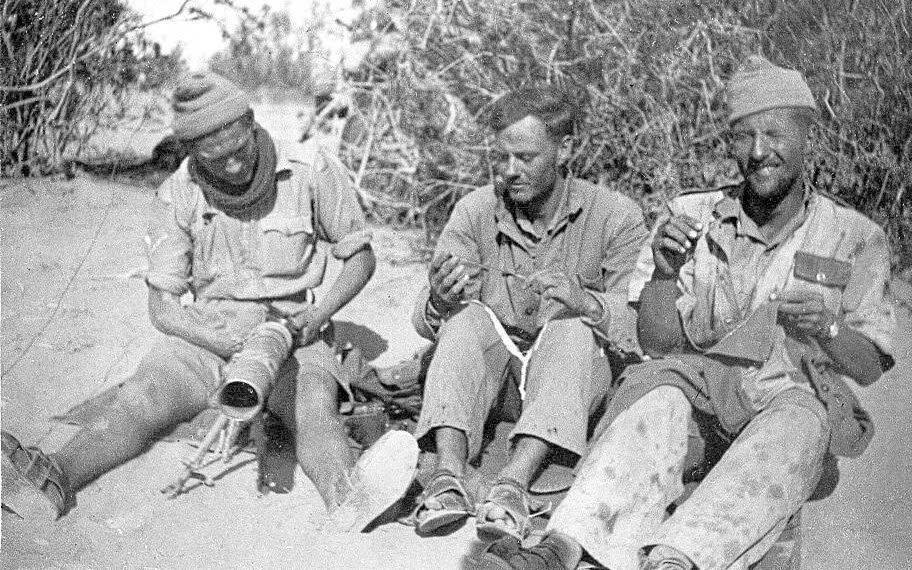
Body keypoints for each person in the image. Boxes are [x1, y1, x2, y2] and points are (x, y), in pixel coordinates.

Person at [479, 56, 896, 570]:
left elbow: (871, 367)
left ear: (809, 138)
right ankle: (559, 548)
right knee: (658, 399)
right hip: (696, 401)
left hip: (784, 406)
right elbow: (657, 346)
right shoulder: (689, 215)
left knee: (800, 420)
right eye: (744, 137)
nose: (759, 152)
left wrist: (827, 327)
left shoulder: (854, 235)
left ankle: (676, 560)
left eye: (775, 134)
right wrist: (662, 275)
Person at [1, 71, 417, 530]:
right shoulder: (178, 191)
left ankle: (351, 498)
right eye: (215, 160)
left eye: (240, 151)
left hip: (296, 332)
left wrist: (317, 315)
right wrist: (213, 336)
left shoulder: (310, 169)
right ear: (191, 152)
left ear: (252, 124)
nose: (234, 167)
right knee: (141, 400)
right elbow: (162, 309)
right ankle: (55, 477)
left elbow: (360, 258)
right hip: (210, 333)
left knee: (312, 409)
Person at [409, 84, 648, 540]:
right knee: (463, 322)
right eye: (501, 159)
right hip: (495, 382)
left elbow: (641, 328)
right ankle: (447, 476)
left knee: (573, 328)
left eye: (525, 158)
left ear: (565, 149)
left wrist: (586, 302)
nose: (509, 172)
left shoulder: (616, 216)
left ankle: (513, 485)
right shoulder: (476, 210)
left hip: (568, 384)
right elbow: (425, 322)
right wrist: (438, 299)